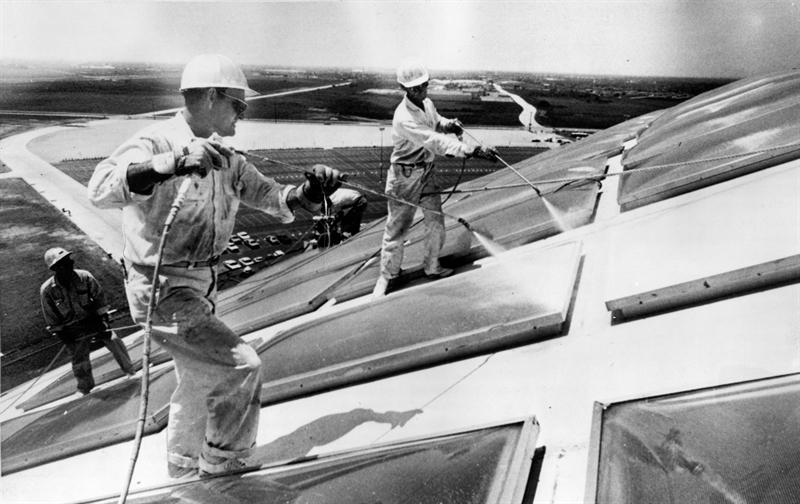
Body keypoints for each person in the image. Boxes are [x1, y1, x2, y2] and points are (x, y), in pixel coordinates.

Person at [87, 54, 342, 478]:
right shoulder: (156, 142)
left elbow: (278, 199)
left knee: (199, 378)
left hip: (201, 285)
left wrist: (312, 188)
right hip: (162, 289)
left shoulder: (228, 157)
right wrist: (168, 164)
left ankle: (183, 465)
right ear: (210, 97)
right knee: (241, 366)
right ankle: (225, 465)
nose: (243, 114)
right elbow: (100, 189)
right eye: (238, 105)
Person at [372, 60, 499, 297]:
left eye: (423, 85)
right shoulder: (404, 117)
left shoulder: (427, 103)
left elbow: (436, 122)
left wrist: (448, 124)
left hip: (427, 171)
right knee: (397, 229)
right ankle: (388, 276)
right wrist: (472, 150)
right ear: (405, 89)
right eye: (415, 88)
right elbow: (433, 140)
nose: (421, 90)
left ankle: (432, 266)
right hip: (404, 177)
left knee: (436, 223)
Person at [40, 247, 135, 395]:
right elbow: (51, 317)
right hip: (73, 330)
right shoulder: (47, 290)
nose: (70, 263)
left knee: (115, 341)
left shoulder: (85, 277)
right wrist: (64, 335)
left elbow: (100, 300)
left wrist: (102, 320)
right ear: (56, 268)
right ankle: (85, 388)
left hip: (93, 321)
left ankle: (131, 371)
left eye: (69, 260)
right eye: (65, 262)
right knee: (79, 359)